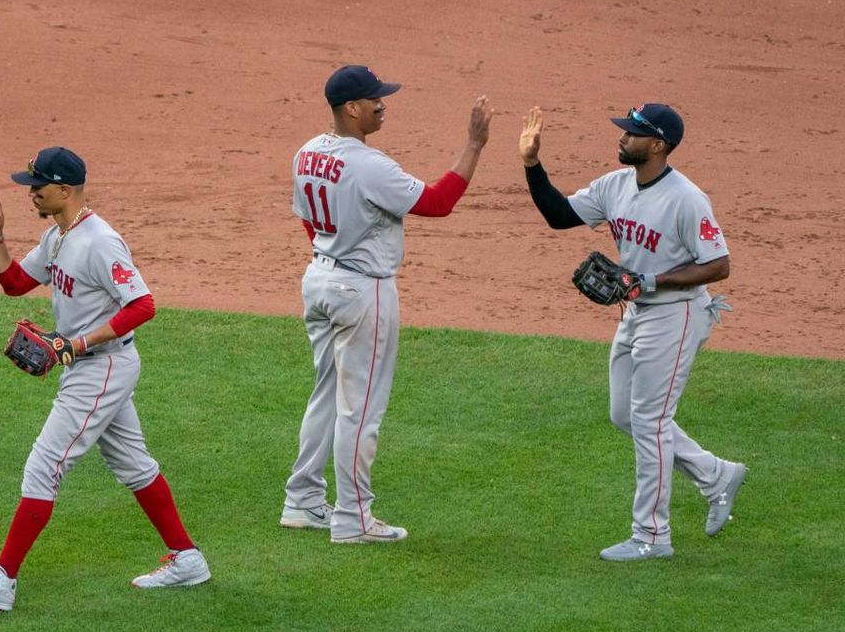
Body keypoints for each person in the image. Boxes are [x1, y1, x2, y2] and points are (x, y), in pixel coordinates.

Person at [0, 146, 209, 612]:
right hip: (91, 366)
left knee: (45, 463)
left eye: (38, 187)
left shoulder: (100, 242)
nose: (32, 194)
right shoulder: (58, 236)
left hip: (102, 367)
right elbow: (15, 284)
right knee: (133, 465)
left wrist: (76, 344)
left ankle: (3, 580)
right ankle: (188, 559)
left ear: (64, 190)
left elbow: (143, 305)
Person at [518, 103, 748, 561]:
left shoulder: (686, 198)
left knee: (650, 422)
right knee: (625, 414)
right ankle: (715, 475)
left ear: (659, 145)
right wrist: (531, 163)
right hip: (637, 313)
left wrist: (653, 280)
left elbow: (719, 265)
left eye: (634, 133)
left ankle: (652, 535)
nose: (623, 138)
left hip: (677, 315)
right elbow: (560, 216)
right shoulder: (615, 184)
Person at [281, 65, 493, 544]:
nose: (383, 104)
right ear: (351, 108)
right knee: (360, 408)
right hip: (362, 291)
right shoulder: (368, 165)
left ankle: (302, 500)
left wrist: (335, 250)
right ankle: (354, 519)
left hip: (319, 279)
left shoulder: (307, 152)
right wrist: (475, 145)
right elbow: (438, 203)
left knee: (327, 395)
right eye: (375, 99)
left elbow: (308, 222)